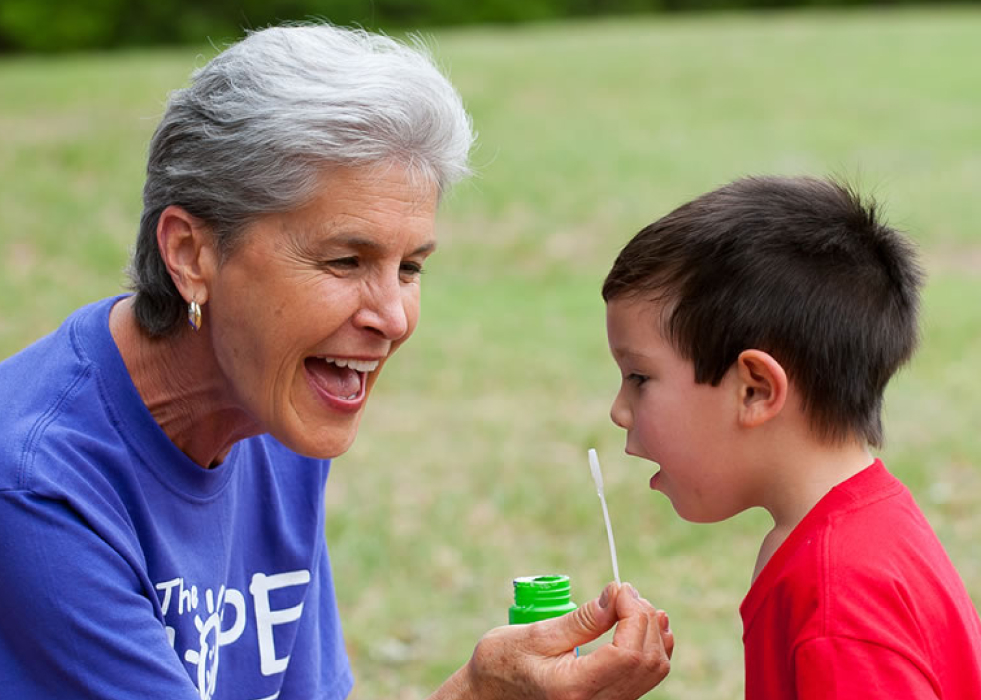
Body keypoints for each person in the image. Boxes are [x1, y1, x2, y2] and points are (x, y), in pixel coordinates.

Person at [0, 22, 673, 700]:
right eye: (345, 261)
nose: (394, 317)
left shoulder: (272, 405)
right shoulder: (35, 486)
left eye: (409, 267)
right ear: (189, 255)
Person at [601, 175, 981, 698]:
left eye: (639, 378)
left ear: (756, 391)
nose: (619, 410)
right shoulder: (850, 536)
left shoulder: (838, 600)